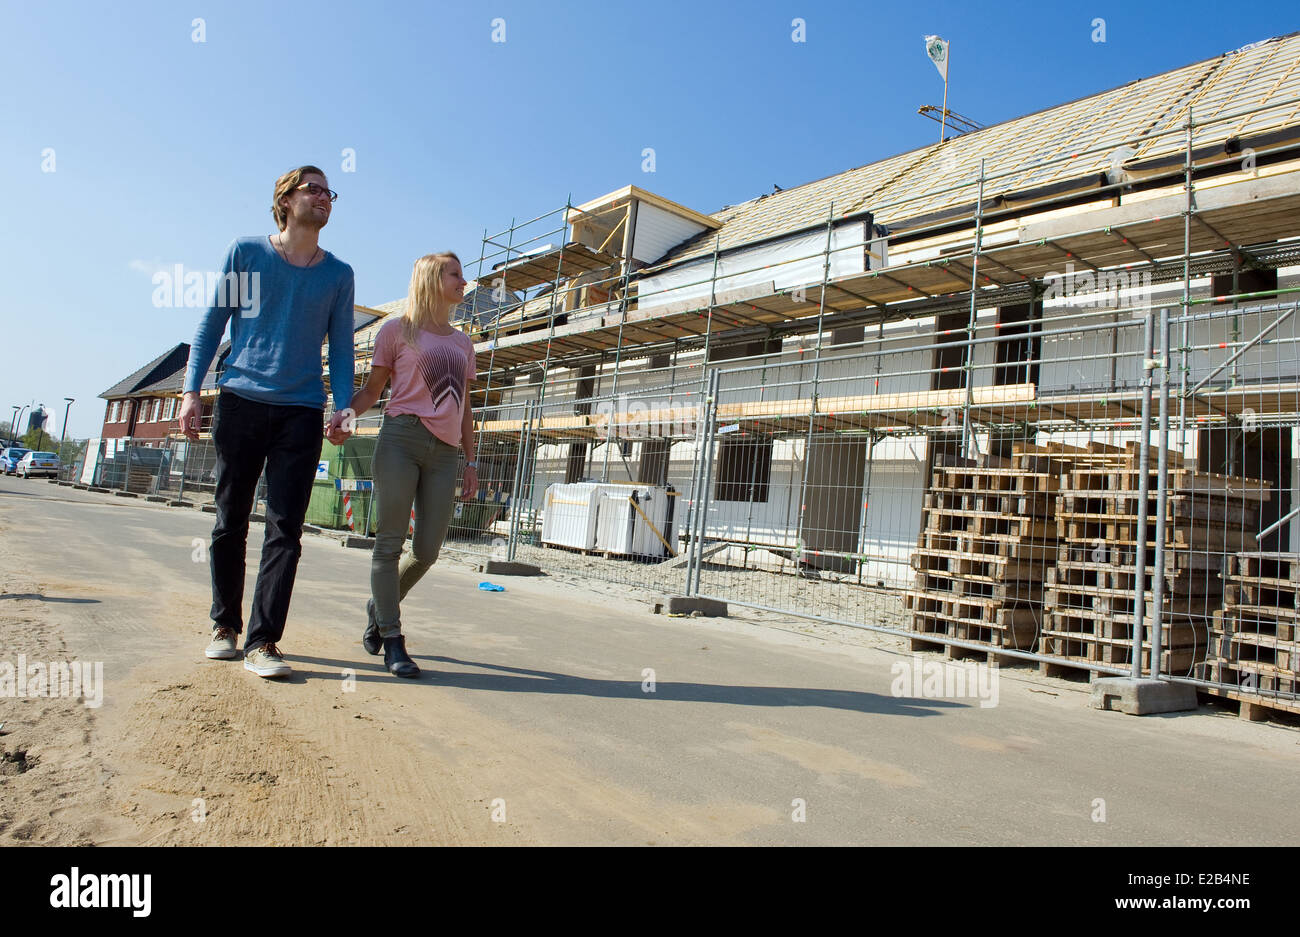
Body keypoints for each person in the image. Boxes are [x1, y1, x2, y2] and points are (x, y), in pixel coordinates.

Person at [179, 165, 356, 679]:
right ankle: (224, 626)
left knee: (286, 528)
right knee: (230, 518)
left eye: (330, 192)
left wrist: (342, 405)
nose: (325, 198)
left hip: (301, 410)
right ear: (286, 198)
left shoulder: (338, 275)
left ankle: (263, 641)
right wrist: (192, 390)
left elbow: (342, 350)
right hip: (241, 399)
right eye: (314, 189)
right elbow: (212, 323)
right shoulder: (247, 253)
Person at [337, 252, 478, 677]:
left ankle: (380, 605)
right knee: (389, 543)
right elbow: (372, 390)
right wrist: (345, 416)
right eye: (455, 273)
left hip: (446, 452)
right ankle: (393, 640)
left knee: (427, 551)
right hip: (401, 439)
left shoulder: (462, 342)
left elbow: (466, 405)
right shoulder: (396, 330)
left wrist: (472, 460)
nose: (464, 280)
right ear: (432, 279)